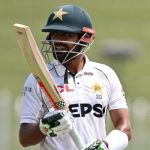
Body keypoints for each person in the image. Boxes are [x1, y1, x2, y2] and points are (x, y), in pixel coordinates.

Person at [19, 4, 132, 150]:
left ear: (84, 38)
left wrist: (105, 146)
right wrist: (45, 127)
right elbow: (24, 138)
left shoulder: (105, 74)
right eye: (54, 34)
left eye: (66, 35)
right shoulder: (37, 79)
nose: (58, 41)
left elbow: (125, 127)